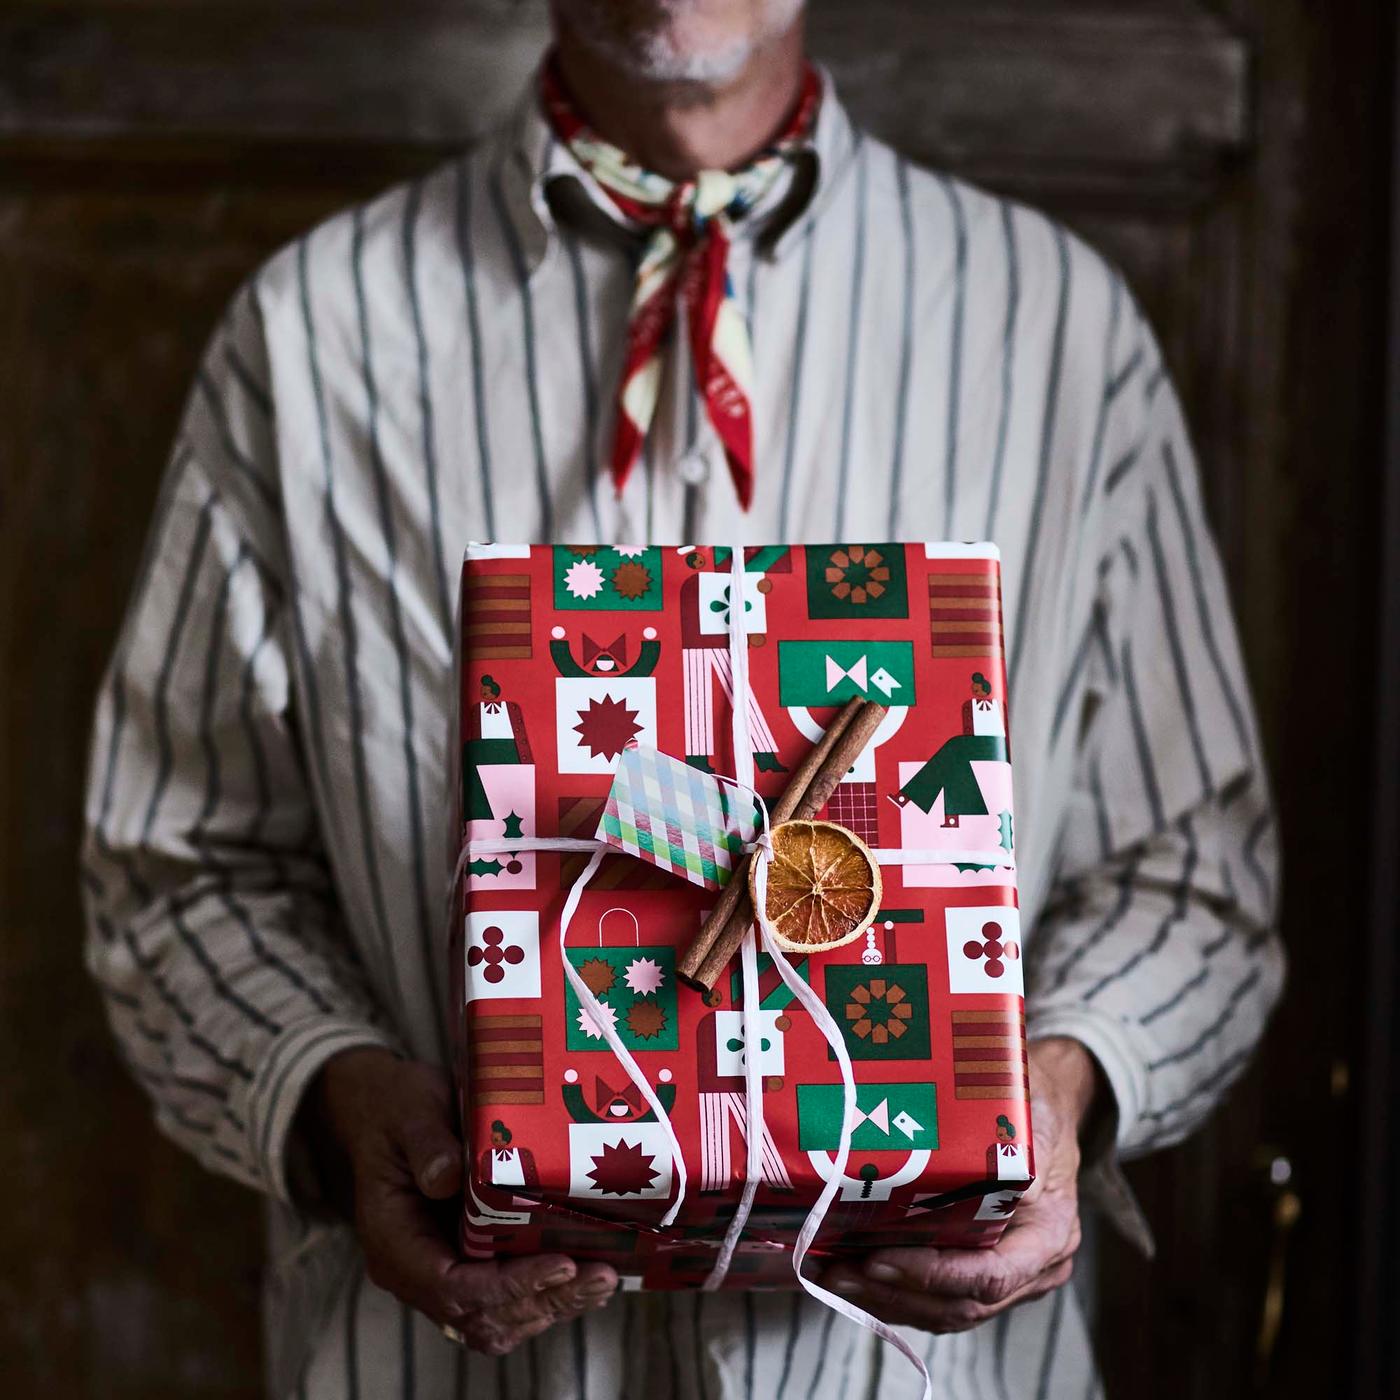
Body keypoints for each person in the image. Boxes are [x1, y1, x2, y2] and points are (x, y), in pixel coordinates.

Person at [79, 0, 1285, 1396]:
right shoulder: (306, 343)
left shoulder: (1058, 332)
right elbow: (180, 865)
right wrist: (335, 1098)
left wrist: (1058, 1095)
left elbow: (1193, 870)